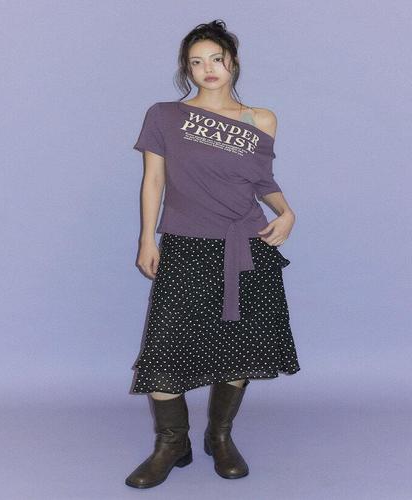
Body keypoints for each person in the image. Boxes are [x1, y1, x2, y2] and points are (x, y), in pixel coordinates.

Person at [125, 19, 301, 489]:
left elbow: (262, 182)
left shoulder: (261, 119)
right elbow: (154, 181)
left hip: (246, 246)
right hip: (185, 245)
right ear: (186, 69)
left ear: (232, 62)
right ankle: (171, 443)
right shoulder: (164, 116)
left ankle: (219, 437)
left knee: (238, 347)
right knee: (165, 348)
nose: (207, 68)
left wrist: (287, 212)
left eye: (216, 59)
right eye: (196, 61)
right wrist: (147, 238)